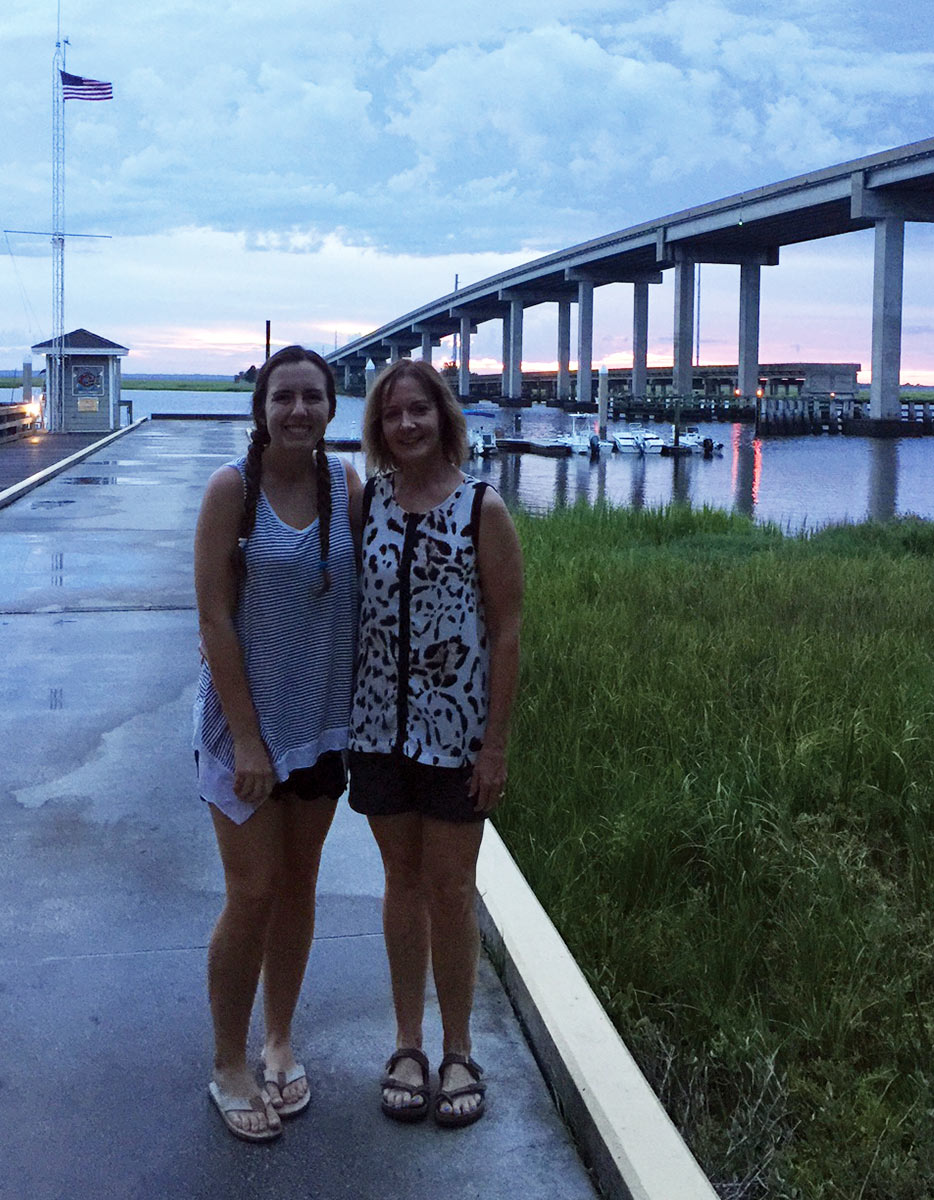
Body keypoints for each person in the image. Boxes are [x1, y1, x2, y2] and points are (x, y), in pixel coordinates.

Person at [349, 358, 524, 1129]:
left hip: (456, 736)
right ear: (379, 429)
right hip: (378, 732)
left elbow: (508, 629)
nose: (407, 425)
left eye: (419, 411)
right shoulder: (370, 503)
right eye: (393, 415)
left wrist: (497, 745)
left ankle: (458, 1049)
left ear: (443, 417)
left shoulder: (483, 506)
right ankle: (408, 1043)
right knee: (402, 884)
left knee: (452, 888)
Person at [192, 345, 360, 1141]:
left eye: (312, 398)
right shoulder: (233, 491)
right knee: (252, 893)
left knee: (299, 888)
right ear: (261, 408)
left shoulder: (344, 486)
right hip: (247, 731)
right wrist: (250, 738)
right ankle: (228, 1063)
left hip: (321, 724)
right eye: (283, 397)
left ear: (332, 408)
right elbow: (214, 621)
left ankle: (280, 1040)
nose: (298, 410)